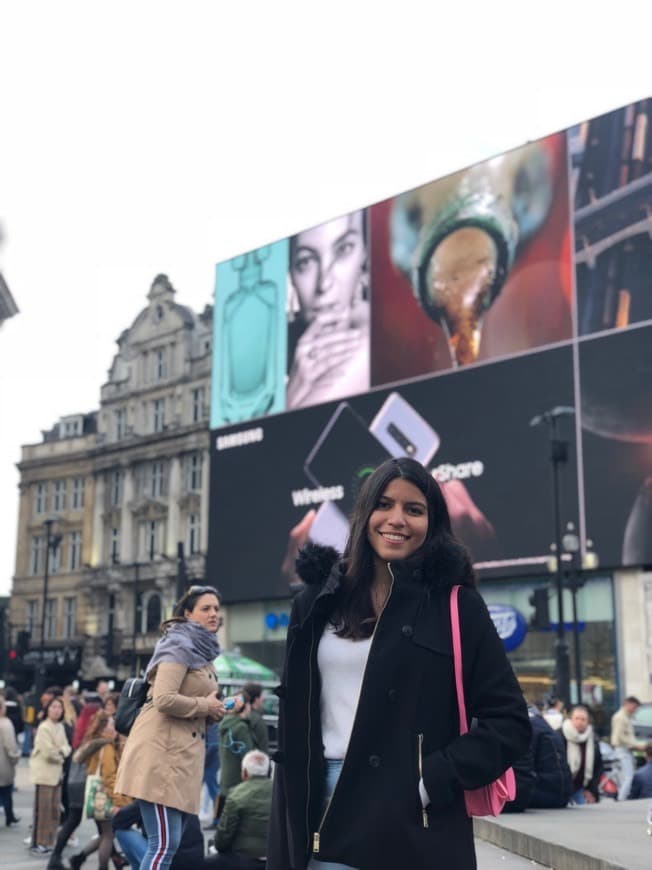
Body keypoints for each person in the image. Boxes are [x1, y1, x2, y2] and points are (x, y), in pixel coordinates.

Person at [268, 456, 531, 869]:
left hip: (415, 816)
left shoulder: (457, 606)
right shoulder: (316, 603)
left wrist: (434, 778)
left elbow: (510, 721)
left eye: (414, 509)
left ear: (433, 522)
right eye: (384, 504)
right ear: (364, 513)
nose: (397, 519)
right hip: (324, 803)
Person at [115, 584, 226, 868]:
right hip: (162, 757)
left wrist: (215, 710)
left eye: (216, 608)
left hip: (178, 759)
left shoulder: (202, 650)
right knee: (162, 846)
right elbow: (164, 699)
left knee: (168, 843)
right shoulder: (178, 644)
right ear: (187, 614)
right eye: (205, 608)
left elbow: (194, 700)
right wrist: (206, 706)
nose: (214, 613)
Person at [286, 210, 370, 410]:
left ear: (364, 258)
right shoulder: (282, 350)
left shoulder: (369, 344)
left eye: (343, 249)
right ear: (291, 274)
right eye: (305, 261)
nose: (324, 283)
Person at [66, 710, 130, 869]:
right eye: (111, 725)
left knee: (105, 834)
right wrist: (119, 801)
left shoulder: (94, 744)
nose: (115, 728)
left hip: (96, 798)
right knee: (108, 835)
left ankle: (78, 858)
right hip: (105, 797)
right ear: (103, 728)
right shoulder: (107, 747)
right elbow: (109, 777)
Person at [208, 749, 272, 869]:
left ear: (244, 773)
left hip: (244, 859)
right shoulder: (281, 793)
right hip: (275, 858)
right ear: (268, 771)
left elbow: (222, 840)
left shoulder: (236, 795)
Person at [504, 704, 572, 812]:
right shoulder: (541, 723)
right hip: (561, 793)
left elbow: (523, 766)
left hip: (547, 793)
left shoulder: (527, 724)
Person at [28, 696, 72, 855]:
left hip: (56, 775)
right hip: (44, 776)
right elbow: (48, 753)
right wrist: (61, 752)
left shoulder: (60, 726)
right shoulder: (44, 727)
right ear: (47, 709)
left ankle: (49, 841)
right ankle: (39, 842)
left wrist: (60, 750)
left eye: (59, 707)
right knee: (43, 812)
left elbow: (68, 747)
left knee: (54, 811)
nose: (56, 710)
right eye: (53, 707)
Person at [112, 801, 205, 869]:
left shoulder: (151, 796)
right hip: (196, 859)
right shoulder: (183, 794)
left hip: (171, 862)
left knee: (121, 832)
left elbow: (117, 821)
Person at [218, 692, 255, 817]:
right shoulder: (241, 728)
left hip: (226, 781)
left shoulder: (225, 724)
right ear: (246, 706)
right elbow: (249, 759)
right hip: (239, 783)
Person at [561, 705, 603, 804]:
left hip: (580, 788)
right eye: (576, 718)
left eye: (583, 719)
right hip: (562, 788)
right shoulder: (560, 736)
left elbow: (598, 767)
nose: (580, 722)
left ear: (588, 722)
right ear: (570, 719)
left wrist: (591, 790)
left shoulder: (592, 739)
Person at [611, 695, 642, 801]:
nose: (635, 710)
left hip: (625, 750)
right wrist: (635, 745)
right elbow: (619, 737)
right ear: (629, 704)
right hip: (622, 750)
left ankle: (622, 797)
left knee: (625, 776)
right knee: (628, 777)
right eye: (635, 707)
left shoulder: (625, 717)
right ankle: (621, 799)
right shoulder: (620, 717)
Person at [0, 696, 21, 826]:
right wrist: (15, 757)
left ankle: (10, 816)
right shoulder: (6, 724)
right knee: (7, 791)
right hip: (3, 763)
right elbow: (10, 746)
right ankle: (10, 816)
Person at [241, 683, 269, 754]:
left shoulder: (236, 716)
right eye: (261, 696)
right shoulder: (258, 720)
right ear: (256, 699)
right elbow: (263, 749)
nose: (263, 699)